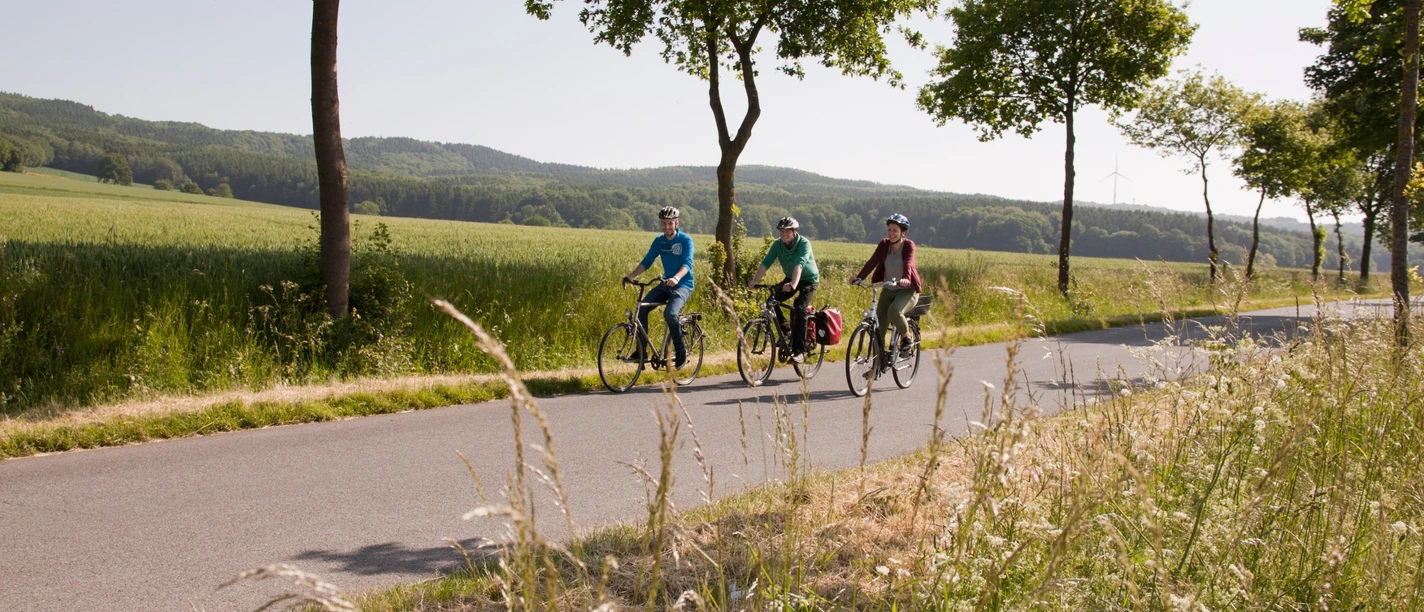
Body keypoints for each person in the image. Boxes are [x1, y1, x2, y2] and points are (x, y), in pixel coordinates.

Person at [624, 206, 695, 369]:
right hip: (665, 285)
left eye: (670, 223)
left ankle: (680, 352)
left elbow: (687, 264)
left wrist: (677, 277)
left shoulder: (685, 240)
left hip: (683, 285)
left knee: (670, 314)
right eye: (664, 224)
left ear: (676, 223)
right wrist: (631, 276)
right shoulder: (659, 241)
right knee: (641, 308)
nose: (667, 227)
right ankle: (642, 352)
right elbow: (647, 261)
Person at [850, 213, 922, 371]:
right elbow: (872, 262)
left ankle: (906, 337)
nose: (891, 233)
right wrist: (859, 277)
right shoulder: (884, 245)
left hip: (907, 290)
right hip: (888, 289)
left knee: (894, 311)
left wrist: (905, 279)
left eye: (895, 230)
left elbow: (909, 263)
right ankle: (878, 363)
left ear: (903, 232)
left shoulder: (908, 245)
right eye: (889, 230)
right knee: (878, 328)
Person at [748, 216, 820, 362]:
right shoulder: (777, 245)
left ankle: (799, 350)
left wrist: (793, 284)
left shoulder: (804, 244)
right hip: (790, 277)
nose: (783, 234)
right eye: (781, 231)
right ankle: (786, 331)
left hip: (808, 280)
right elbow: (766, 262)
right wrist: (756, 280)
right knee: (772, 300)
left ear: (795, 232)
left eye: (787, 231)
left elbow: (799, 265)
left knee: (799, 307)